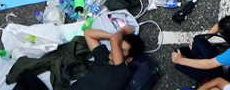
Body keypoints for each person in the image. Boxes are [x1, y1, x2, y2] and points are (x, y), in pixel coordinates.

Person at [12, 26, 144, 90]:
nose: (115, 49)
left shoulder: (122, 72)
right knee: (25, 76)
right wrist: (113, 36)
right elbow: (89, 34)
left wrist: (122, 31)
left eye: (122, 50)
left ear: (129, 59)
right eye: (117, 46)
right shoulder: (103, 57)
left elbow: (115, 39)